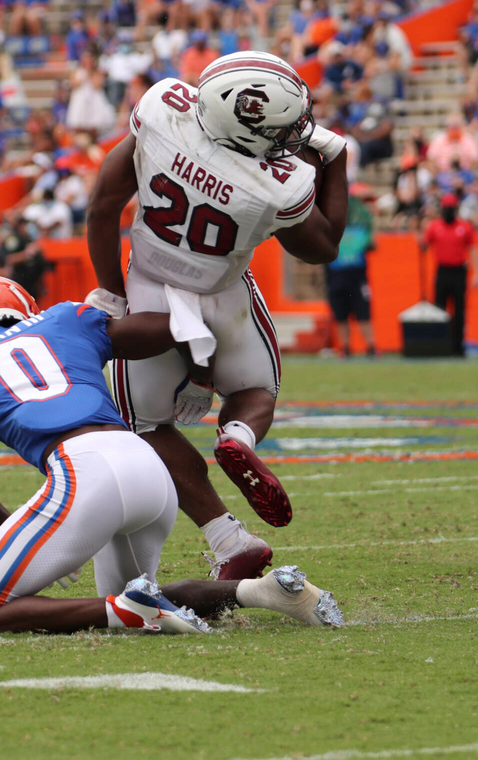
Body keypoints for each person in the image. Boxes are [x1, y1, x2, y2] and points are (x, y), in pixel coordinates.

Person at [0, 275, 343, 633]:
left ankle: (132, 611)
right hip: (148, 465)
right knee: (134, 596)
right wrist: (200, 378)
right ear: (28, 307)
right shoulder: (66, 319)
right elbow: (182, 327)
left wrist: (40, 548)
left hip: (84, 475)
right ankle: (262, 591)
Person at [86, 51, 350, 580]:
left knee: (143, 425)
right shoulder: (280, 182)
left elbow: (101, 204)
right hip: (224, 294)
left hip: (149, 292)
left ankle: (226, 537)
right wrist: (337, 162)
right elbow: (322, 246)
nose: (295, 133)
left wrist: (112, 295)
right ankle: (239, 438)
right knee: (255, 393)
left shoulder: (164, 109)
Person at [421, 192, 478, 356]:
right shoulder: (434, 226)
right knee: (439, 310)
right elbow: (424, 246)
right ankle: (440, 344)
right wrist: (419, 229)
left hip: (459, 272)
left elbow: (473, 250)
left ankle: (458, 346)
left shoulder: (464, 227)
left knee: (459, 311)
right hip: (442, 271)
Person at [325, 192, 376, 357]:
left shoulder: (360, 229)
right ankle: (345, 348)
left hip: (356, 277)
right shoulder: (331, 229)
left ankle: (371, 347)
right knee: (340, 316)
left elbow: (374, 245)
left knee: (364, 314)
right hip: (337, 276)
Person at [0, 210, 48, 300]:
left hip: (33, 281)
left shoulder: (29, 239)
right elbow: (10, 259)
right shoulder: (15, 240)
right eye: (25, 225)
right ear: (20, 226)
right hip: (20, 281)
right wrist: (28, 253)